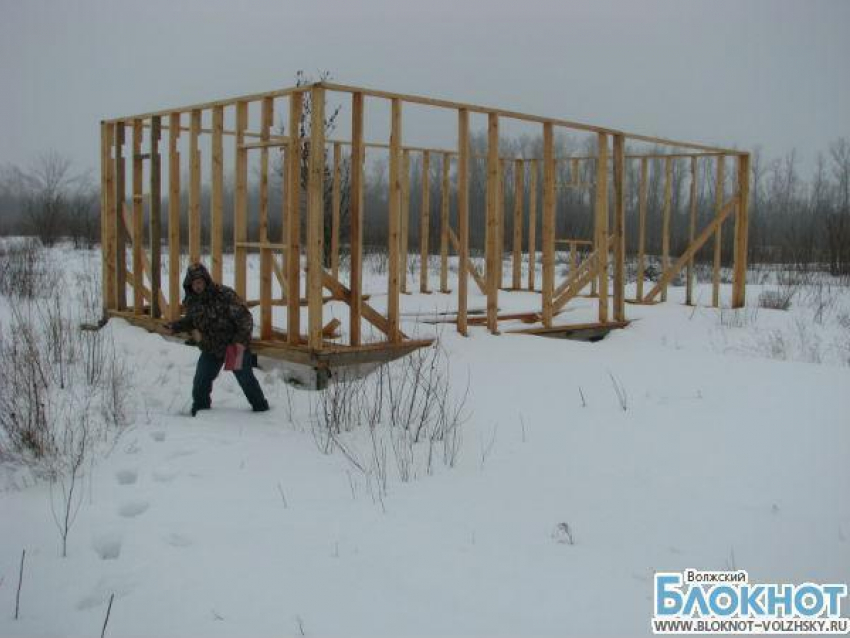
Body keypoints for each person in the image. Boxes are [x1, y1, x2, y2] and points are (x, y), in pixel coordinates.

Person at [165, 263, 269, 416]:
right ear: (189, 285)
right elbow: (191, 321)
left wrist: (238, 343)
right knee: (201, 381)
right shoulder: (192, 301)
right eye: (194, 283)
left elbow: (245, 319)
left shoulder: (224, 295)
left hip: (232, 344)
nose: (197, 286)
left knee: (246, 380)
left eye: (200, 282)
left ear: (206, 281)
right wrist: (175, 326)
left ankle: (261, 410)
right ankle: (200, 411)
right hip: (211, 348)